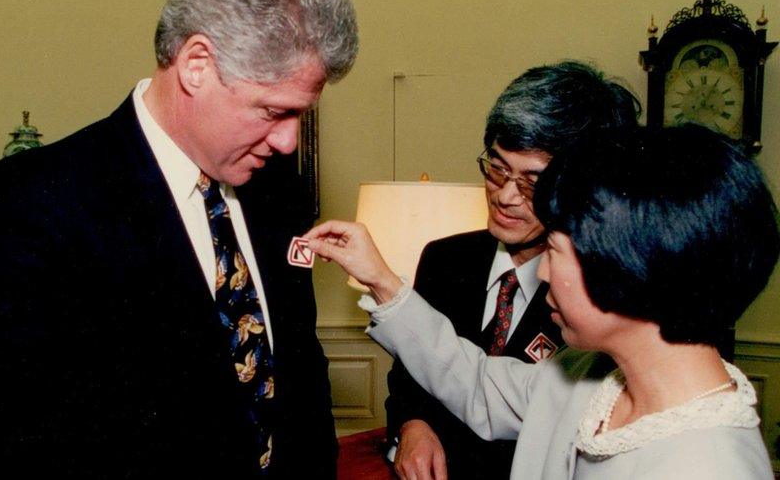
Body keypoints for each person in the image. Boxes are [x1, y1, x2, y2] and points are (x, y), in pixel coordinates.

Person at [0, 0, 358, 478]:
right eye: (273, 111)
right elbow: (11, 449)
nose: (287, 141)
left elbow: (302, 379)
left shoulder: (278, 188)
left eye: (299, 115)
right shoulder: (31, 206)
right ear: (196, 64)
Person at [305, 124, 779, 479]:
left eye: (555, 249)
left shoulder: (711, 467)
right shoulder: (586, 377)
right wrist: (383, 280)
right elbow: (475, 382)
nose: (543, 270)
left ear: (630, 268)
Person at [385, 61, 638, 480]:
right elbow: (413, 371)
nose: (504, 195)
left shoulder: (596, 301)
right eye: (498, 168)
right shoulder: (444, 258)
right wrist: (413, 425)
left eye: (532, 183)